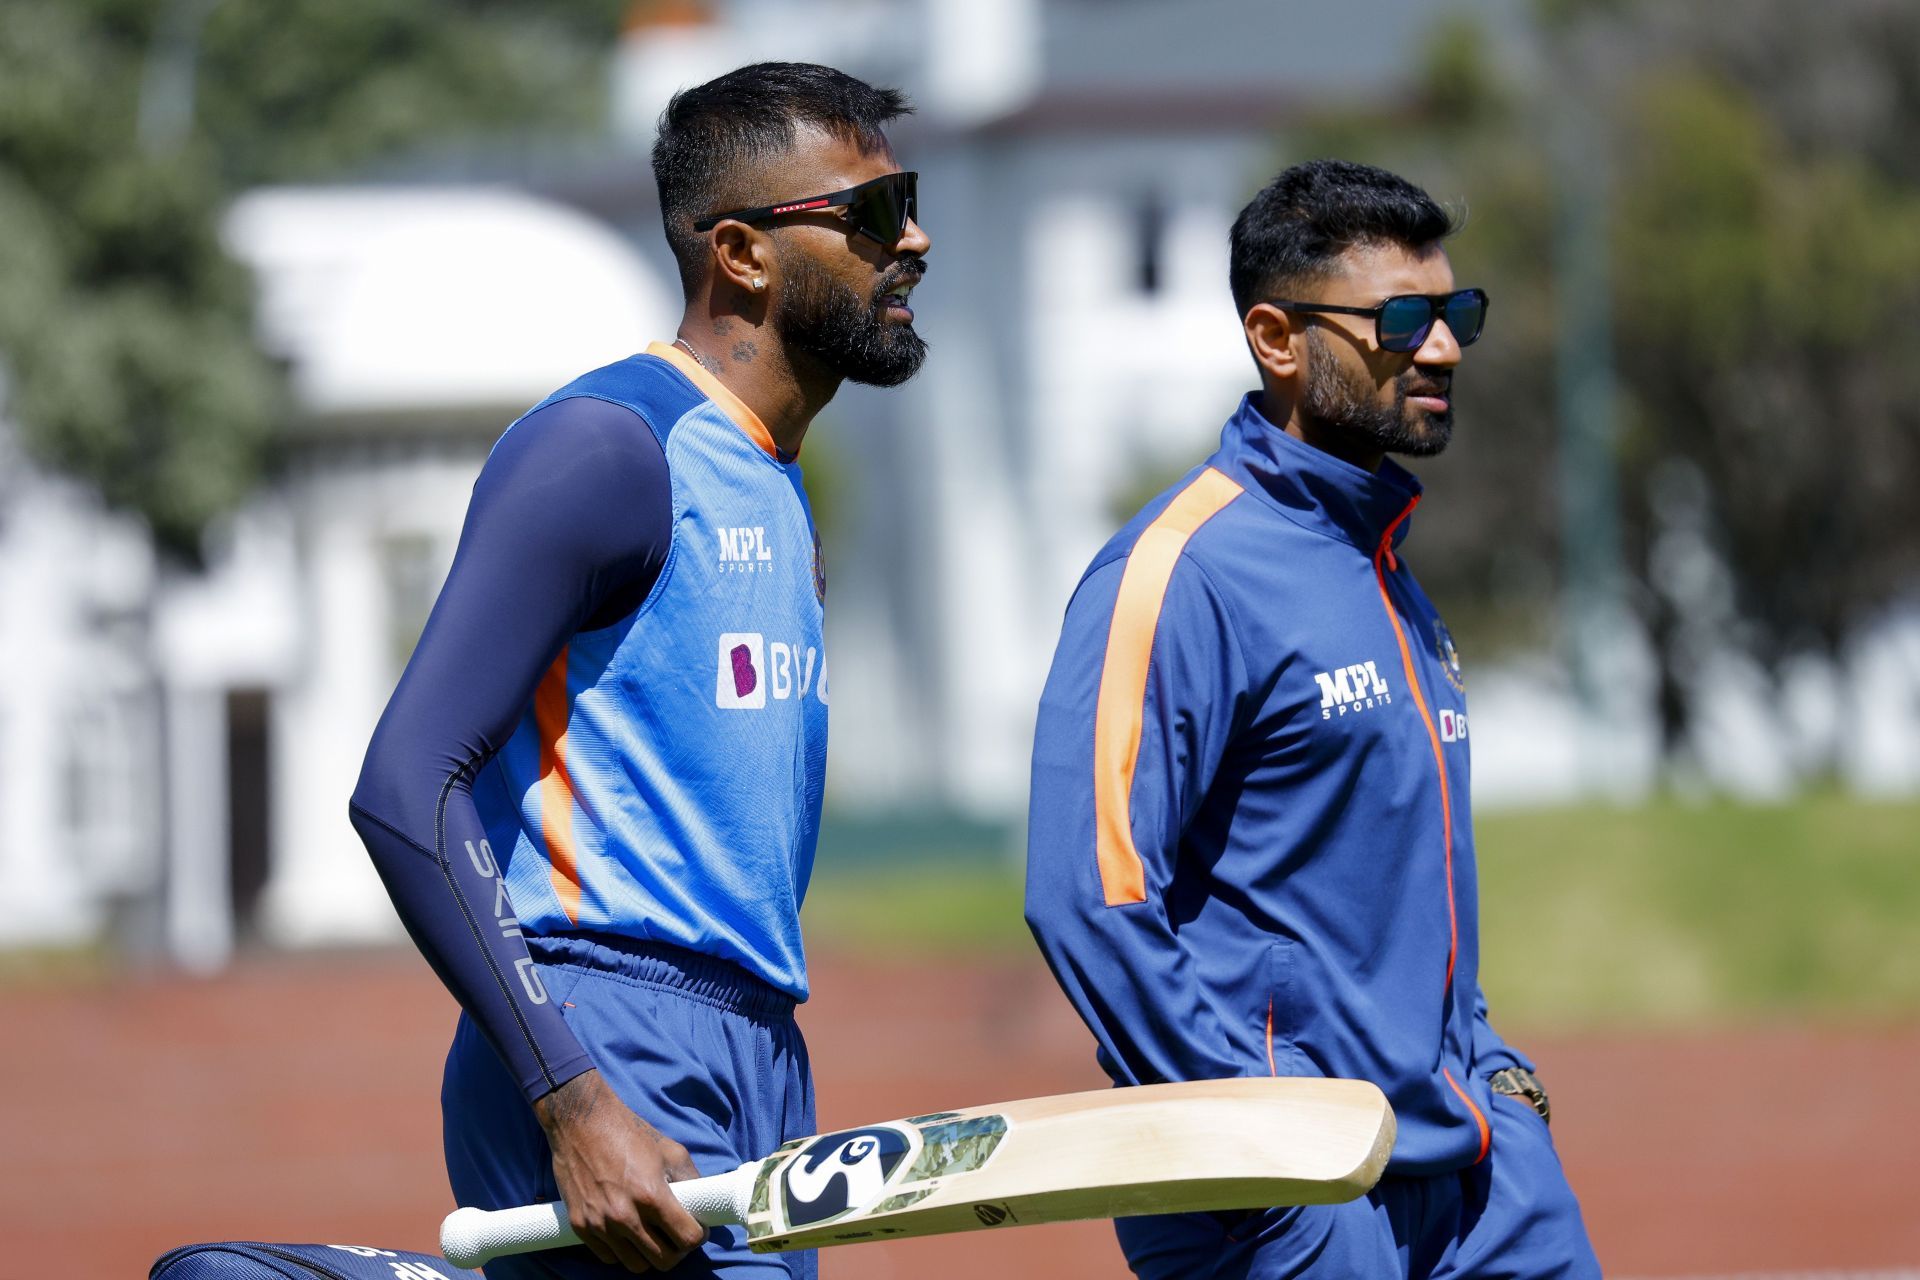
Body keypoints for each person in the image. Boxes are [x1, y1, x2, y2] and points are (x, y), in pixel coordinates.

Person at [349, 62, 929, 1278]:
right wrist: (570, 1092)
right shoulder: (608, 449)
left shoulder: (767, 473)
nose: (914, 239)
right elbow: (406, 780)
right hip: (607, 1033)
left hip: (757, 1045)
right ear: (744, 253)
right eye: (874, 213)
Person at [1023, 159, 1599, 1279]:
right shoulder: (1180, 568)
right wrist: (1255, 1135)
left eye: (1455, 314)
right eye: (1401, 319)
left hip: (1479, 1175)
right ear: (1278, 339)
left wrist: (1494, 1077)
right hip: (1292, 1191)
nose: (1440, 349)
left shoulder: (1384, 564)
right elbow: (1090, 888)